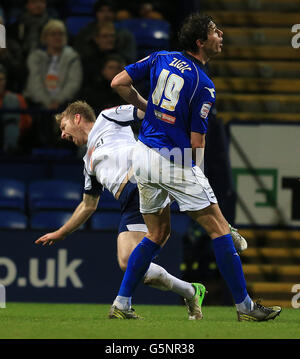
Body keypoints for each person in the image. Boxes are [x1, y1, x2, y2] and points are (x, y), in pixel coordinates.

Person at [110, 13, 282, 321]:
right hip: (173, 158)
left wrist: (146, 106)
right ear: (201, 43)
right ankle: (245, 308)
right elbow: (197, 141)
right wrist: (196, 176)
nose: (221, 35)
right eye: (216, 31)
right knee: (219, 229)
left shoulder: (162, 57)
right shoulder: (204, 84)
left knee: (157, 233)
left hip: (143, 155)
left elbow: (118, 82)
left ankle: (122, 303)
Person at [34, 100, 247, 320]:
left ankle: (223, 228)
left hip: (146, 175)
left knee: (181, 186)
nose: (62, 135)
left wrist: (161, 134)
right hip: (130, 203)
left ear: (76, 117)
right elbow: (88, 204)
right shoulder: (88, 162)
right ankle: (191, 291)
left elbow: (146, 111)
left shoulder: (107, 118)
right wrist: (62, 232)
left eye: (63, 127)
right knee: (128, 262)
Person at [74, 0, 136, 65]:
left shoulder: (126, 36)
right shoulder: (85, 33)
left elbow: (129, 60)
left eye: (110, 10)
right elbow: (80, 57)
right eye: (101, 11)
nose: (106, 14)